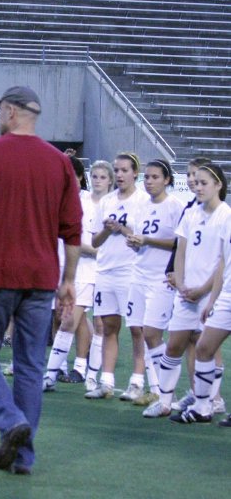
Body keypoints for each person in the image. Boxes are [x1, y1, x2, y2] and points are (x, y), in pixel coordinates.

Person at [0, 86, 82, 475]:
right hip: (41, 278)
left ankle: (9, 421)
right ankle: (24, 457)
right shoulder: (59, 162)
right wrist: (68, 280)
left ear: (10, 111)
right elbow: (73, 231)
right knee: (30, 364)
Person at [143, 163, 230, 419]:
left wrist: (204, 290)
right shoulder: (191, 214)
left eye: (204, 182)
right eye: (196, 181)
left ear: (218, 185)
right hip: (186, 294)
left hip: (211, 294)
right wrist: (181, 285)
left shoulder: (226, 216)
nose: (198, 186)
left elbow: (224, 262)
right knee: (173, 347)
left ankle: (212, 400)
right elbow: (180, 252)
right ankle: (166, 401)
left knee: (207, 348)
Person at [85, 152, 149, 400]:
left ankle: (137, 382)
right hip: (105, 270)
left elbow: (142, 239)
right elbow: (95, 240)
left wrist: (122, 229)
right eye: (117, 170)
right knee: (108, 327)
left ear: (135, 173)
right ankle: (107, 381)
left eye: (124, 170)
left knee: (137, 329)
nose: (120, 175)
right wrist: (106, 229)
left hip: (130, 270)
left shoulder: (143, 201)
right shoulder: (108, 200)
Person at [125, 159, 184, 406]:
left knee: (152, 333)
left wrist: (147, 241)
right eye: (146, 178)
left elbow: (180, 242)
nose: (149, 182)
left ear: (167, 180)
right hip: (138, 274)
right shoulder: (140, 206)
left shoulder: (175, 206)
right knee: (138, 331)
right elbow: (138, 235)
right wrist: (134, 241)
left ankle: (165, 390)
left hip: (161, 278)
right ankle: (156, 388)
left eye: (155, 177)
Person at [43, 155, 96, 390]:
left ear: (80, 177)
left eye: (71, 176)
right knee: (59, 316)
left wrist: (87, 249)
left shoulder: (90, 201)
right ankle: (63, 365)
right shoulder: (53, 199)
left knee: (72, 319)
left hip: (83, 268)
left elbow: (92, 239)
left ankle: (80, 366)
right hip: (57, 265)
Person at [180, 185, 231, 425]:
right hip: (228, 296)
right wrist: (212, 300)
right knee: (203, 347)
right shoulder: (229, 218)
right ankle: (203, 407)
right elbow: (223, 262)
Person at [83, 161, 115, 390]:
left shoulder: (115, 203)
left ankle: (92, 374)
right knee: (70, 319)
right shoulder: (82, 201)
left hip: (107, 268)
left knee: (102, 323)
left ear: (110, 181)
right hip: (84, 265)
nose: (97, 180)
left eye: (102, 177)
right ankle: (76, 364)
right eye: (94, 176)